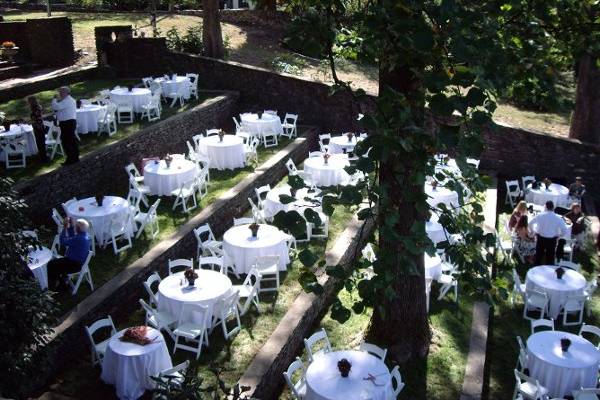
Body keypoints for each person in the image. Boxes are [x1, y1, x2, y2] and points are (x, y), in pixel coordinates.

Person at [46, 217, 91, 290]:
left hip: (73, 264)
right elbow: (73, 236)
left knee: (51, 265)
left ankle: (54, 285)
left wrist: (64, 228)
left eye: (76, 226)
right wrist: (71, 226)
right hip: (77, 263)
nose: (75, 228)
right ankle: (62, 281)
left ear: (78, 229)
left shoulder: (79, 238)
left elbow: (63, 242)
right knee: (55, 263)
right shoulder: (85, 236)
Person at [529, 201, 568, 265]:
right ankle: (549, 270)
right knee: (550, 258)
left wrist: (533, 232)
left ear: (546, 207)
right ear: (553, 208)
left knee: (538, 256)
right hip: (552, 240)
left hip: (541, 238)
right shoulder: (558, 218)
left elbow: (530, 224)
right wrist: (559, 236)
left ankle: (535, 270)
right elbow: (564, 230)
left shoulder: (540, 215)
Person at [51, 86, 78, 165]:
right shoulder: (67, 100)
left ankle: (71, 159)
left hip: (67, 123)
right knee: (71, 141)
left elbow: (56, 106)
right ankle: (75, 158)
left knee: (67, 142)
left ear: (66, 92)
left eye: (61, 92)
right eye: (59, 92)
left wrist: (54, 99)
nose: (59, 93)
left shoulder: (67, 100)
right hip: (68, 122)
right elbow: (60, 110)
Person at [27, 95, 48, 162]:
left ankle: (43, 158)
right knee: (40, 142)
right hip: (39, 126)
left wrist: (32, 122)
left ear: (31, 101)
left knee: (40, 143)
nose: (28, 103)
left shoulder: (35, 108)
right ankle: (43, 156)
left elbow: (37, 118)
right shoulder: (37, 107)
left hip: (38, 127)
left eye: (29, 101)